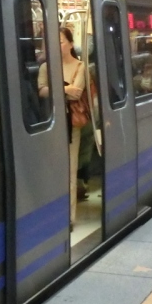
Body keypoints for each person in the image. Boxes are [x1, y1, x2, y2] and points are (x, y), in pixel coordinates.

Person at [59, 27, 91, 214]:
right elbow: (42, 91)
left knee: (70, 170)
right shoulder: (48, 66)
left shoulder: (80, 66)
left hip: (72, 124)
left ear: (71, 44)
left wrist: (56, 89)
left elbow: (76, 94)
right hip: (54, 123)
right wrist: (66, 88)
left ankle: (69, 217)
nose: (57, 46)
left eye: (61, 41)